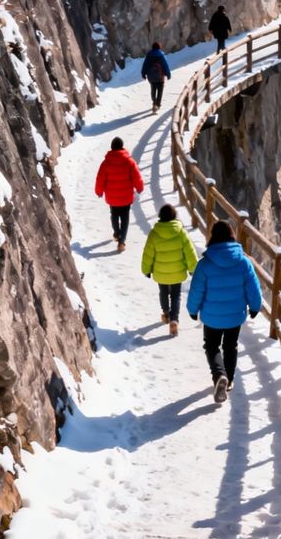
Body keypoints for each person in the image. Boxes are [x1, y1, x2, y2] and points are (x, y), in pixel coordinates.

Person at [187, 219, 262, 403]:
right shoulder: (243, 262)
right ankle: (228, 381)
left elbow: (197, 289)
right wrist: (254, 306)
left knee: (212, 346)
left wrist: (192, 309)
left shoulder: (205, 263)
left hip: (211, 316)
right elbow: (253, 287)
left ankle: (219, 374)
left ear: (213, 236)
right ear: (231, 235)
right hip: (235, 315)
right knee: (231, 346)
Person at [141, 203, 198, 337]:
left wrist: (146, 270)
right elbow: (190, 252)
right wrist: (192, 268)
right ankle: (174, 319)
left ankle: (166, 313)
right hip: (177, 272)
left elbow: (148, 253)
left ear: (160, 216)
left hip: (160, 272)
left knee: (163, 292)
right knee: (176, 295)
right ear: (174, 216)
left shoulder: (154, 233)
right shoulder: (181, 232)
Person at [94, 136, 144, 252]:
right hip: (126, 196)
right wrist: (140, 188)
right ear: (122, 147)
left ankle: (117, 233)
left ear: (111, 148)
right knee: (125, 218)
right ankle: (122, 242)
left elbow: (100, 179)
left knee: (114, 215)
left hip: (112, 197)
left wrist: (99, 191)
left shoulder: (106, 163)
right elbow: (137, 177)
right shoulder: (129, 162)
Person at [141, 41, 171, 114]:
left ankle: (154, 102)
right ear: (159, 47)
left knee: (153, 89)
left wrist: (143, 74)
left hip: (151, 77)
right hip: (160, 77)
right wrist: (168, 74)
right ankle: (157, 104)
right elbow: (165, 66)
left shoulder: (149, 55)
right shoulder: (161, 55)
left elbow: (145, 65)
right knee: (160, 91)